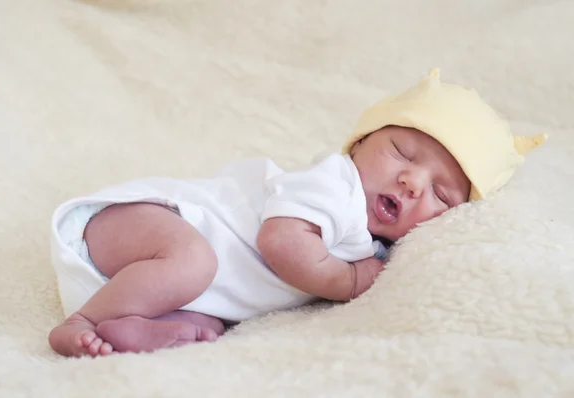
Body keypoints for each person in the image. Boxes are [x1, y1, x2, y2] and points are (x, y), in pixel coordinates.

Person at [48, 69, 546, 357]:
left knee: (206, 326)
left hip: (148, 275)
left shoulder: (374, 243)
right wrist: (348, 281)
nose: (412, 183)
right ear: (359, 143)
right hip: (140, 223)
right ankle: (83, 320)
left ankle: (132, 322)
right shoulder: (337, 182)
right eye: (402, 152)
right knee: (192, 261)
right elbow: (282, 244)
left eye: (441, 194)